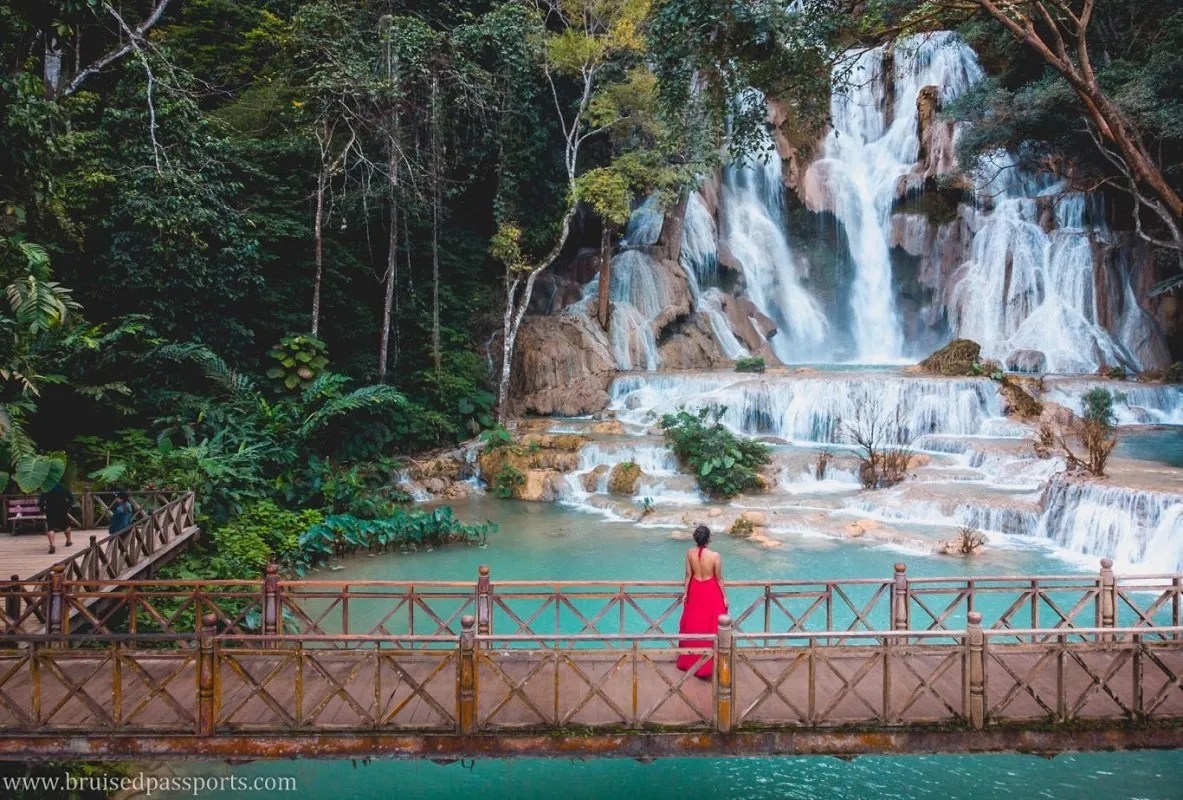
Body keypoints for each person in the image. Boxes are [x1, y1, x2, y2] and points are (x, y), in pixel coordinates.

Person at [675, 524, 729, 679]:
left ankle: (690, 660)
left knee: (693, 623)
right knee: (710, 625)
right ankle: (709, 662)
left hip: (695, 589)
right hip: (710, 591)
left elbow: (687, 574)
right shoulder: (715, 556)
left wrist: (686, 592)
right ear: (708, 538)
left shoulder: (689, 553)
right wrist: (724, 596)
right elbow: (718, 578)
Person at [38, 481, 74, 555]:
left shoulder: (47, 489)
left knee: (51, 528)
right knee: (66, 525)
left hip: (50, 510)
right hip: (62, 509)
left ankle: (52, 545)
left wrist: (42, 509)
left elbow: (41, 501)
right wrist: (68, 506)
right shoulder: (62, 488)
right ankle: (68, 541)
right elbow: (70, 498)